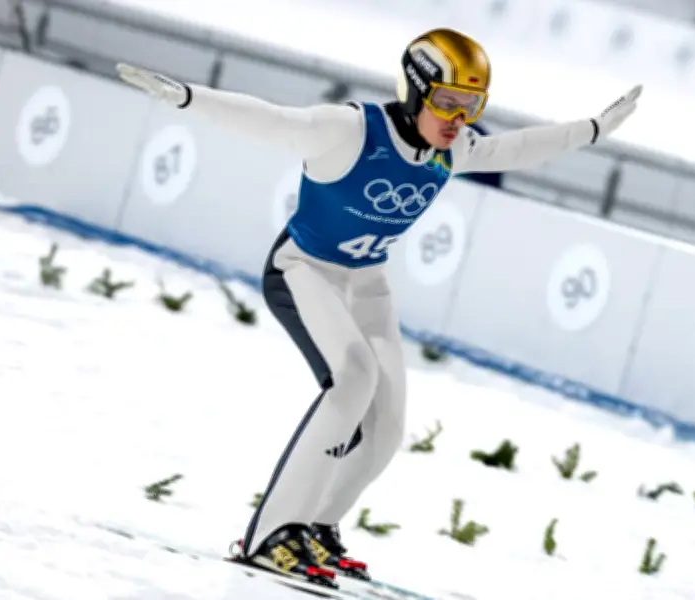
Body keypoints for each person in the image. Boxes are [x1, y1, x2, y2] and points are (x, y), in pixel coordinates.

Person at [117, 27, 641, 590]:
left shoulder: (454, 149)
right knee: (353, 379)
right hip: (303, 271)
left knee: (387, 426)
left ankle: (316, 526)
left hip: (366, 283)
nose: (457, 119)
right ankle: (271, 534)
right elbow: (272, 119)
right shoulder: (349, 130)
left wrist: (593, 130)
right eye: (447, 101)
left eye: (471, 106)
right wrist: (191, 97)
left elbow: (518, 147)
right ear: (416, 90)